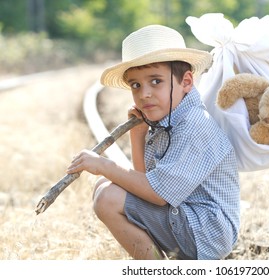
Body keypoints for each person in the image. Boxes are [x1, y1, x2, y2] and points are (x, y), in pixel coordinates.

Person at [66, 25, 240, 260]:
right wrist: (138, 135)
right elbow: (143, 182)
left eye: (155, 81)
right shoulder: (167, 120)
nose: (144, 93)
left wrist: (103, 165)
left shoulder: (193, 125)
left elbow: (157, 194)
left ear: (186, 82)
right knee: (104, 187)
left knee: (109, 197)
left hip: (206, 232)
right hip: (189, 220)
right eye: (136, 85)